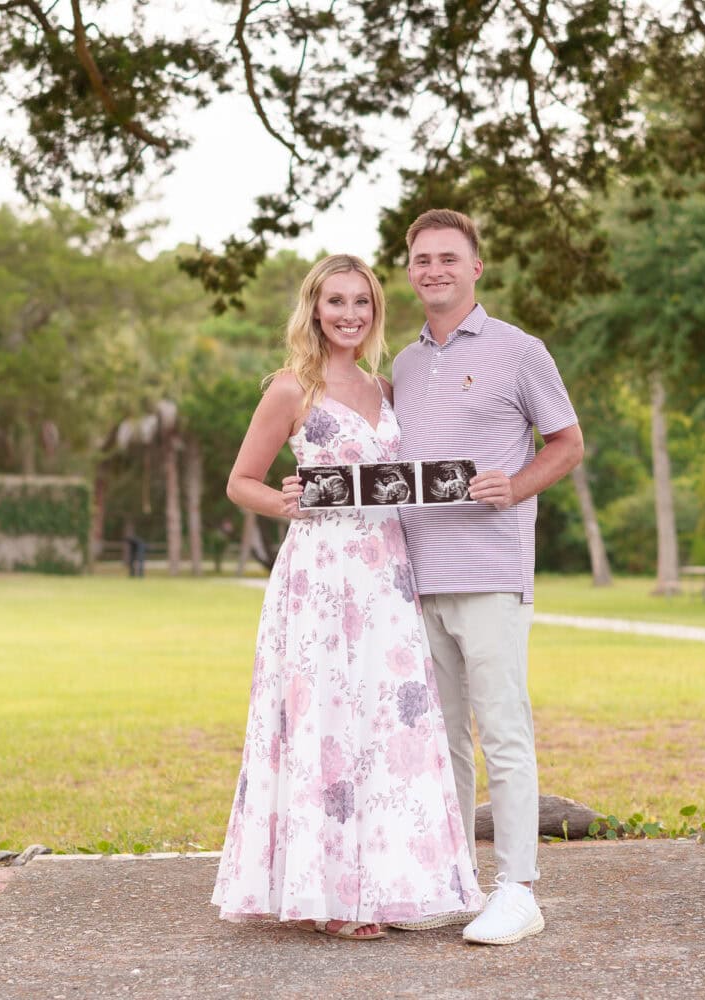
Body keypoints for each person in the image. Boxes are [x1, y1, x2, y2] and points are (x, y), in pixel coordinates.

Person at [210, 254, 484, 940]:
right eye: (336, 302)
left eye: (361, 302)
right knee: (327, 723)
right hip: (321, 580)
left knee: (387, 728)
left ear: (373, 311)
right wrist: (284, 500)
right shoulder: (290, 389)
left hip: (386, 579)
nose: (350, 314)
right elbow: (241, 481)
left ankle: (391, 884)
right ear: (314, 308)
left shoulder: (385, 387)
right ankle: (329, 896)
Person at [388, 209, 583, 946]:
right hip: (415, 577)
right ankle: (454, 880)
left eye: (448, 258)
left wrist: (519, 484)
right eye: (422, 260)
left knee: (503, 730)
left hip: (492, 573)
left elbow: (567, 441)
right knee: (440, 741)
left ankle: (519, 889)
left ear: (476, 268)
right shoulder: (403, 365)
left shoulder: (518, 350)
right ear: (410, 271)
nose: (434, 269)